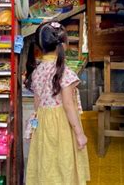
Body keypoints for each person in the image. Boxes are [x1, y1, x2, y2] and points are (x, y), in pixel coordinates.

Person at [25, 21, 90, 184]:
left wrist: (33, 128)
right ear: (63, 45)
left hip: (43, 125)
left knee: (47, 165)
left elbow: (36, 105)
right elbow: (68, 106)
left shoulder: (37, 71)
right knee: (63, 165)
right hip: (62, 126)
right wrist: (79, 134)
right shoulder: (64, 72)